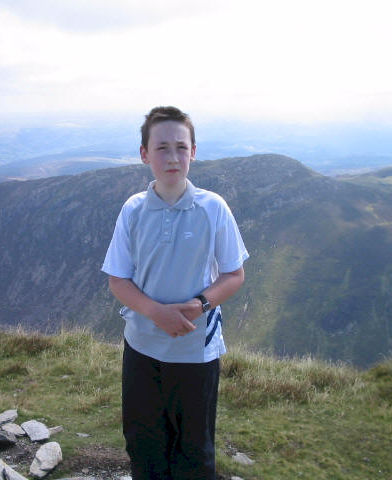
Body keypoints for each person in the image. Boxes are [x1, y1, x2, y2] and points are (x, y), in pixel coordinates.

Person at [102, 106, 249, 480]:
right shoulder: (133, 210)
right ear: (144, 154)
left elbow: (234, 274)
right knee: (144, 445)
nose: (172, 157)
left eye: (181, 147)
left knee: (194, 452)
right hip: (141, 348)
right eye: (162, 147)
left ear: (193, 152)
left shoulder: (213, 208)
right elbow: (117, 280)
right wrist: (156, 313)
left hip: (196, 350)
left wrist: (201, 304)